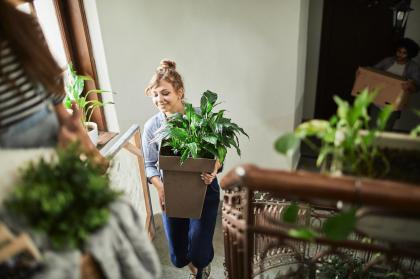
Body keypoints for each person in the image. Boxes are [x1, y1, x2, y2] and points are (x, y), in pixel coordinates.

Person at [0, 0, 106, 167]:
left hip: (42, 149)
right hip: (40, 148)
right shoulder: (24, 24)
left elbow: (57, 103)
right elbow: (57, 101)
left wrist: (92, 153)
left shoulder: (24, 24)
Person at [142, 59, 221, 279]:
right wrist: (160, 187)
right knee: (178, 256)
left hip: (204, 189)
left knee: (199, 250)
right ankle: (195, 265)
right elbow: (149, 165)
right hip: (172, 191)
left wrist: (214, 169)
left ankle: (201, 265)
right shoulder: (152, 127)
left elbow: (219, 153)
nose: (159, 99)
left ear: (180, 92)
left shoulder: (201, 117)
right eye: (155, 94)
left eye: (165, 93)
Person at [369, 37, 420, 130]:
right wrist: (362, 73)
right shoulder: (388, 60)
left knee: (385, 131)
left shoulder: (413, 67)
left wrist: (410, 85)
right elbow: (372, 71)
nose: (400, 55)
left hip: (393, 105)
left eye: (404, 53)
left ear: (410, 54)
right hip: (377, 102)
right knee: (371, 128)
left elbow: (416, 87)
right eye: (399, 51)